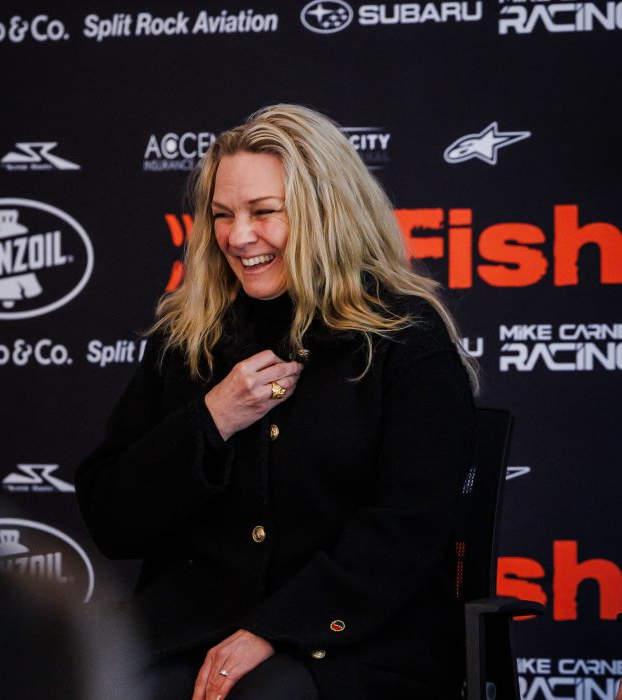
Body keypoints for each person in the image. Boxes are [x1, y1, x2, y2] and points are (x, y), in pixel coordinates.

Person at [75, 104, 477, 700]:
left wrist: (275, 628)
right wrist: (211, 419)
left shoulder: (404, 338)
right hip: (191, 630)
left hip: (360, 639)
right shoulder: (187, 338)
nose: (239, 237)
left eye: (264, 212)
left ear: (327, 213)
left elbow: (408, 528)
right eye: (222, 215)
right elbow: (113, 519)